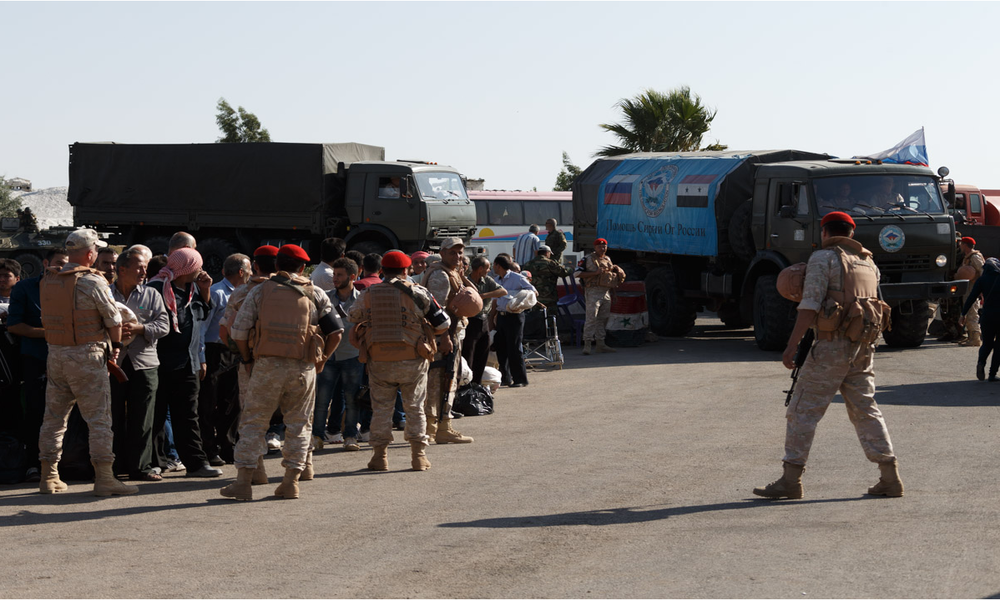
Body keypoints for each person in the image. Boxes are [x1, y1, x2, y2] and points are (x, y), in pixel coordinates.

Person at [753, 211, 902, 500]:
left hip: (831, 347)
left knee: (802, 411)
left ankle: (790, 480)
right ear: (851, 233)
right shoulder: (869, 262)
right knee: (866, 410)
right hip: (863, 348)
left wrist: (792, 345)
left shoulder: (824, 258)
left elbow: (809, 305)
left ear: (824, 232)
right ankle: (889, 476)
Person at [223, 244, 343, 501]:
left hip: (266, 366)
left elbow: (238, 332)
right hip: (303, 368)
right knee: (299, 425)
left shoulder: (259, 292)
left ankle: (244, 483)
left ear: (277, 265)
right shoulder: (316, 293)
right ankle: (290, 482)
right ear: (302, 268)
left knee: (253, 422)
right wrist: (321, 360)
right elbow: (336, 332)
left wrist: (247, 359)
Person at [36, 228, 135, 496]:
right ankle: (104, 478)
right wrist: (115, 347)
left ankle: (49, 476)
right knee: (99, 419)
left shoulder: (50, 279)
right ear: (91, 254)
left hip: (56, 354)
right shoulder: (92, 282)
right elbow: (114, 320)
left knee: (54, 418)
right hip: (87, 356)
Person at [348, 250, 450, 471]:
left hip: (379, 361)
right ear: (406, 271)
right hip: (413, 360)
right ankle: (418, 457)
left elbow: (352, 316)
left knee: (381, 408)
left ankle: (379, 457)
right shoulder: (419, 293)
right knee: (414, 408)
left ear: (382, 271)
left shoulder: (369, 293)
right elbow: (443, 324)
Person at [147, 247, 223, 478]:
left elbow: (202, 315)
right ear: (186, 268)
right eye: (197, 265)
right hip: (159, 363)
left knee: (188, 415)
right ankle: (155, 462)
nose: (200, 269)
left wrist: (205, 290)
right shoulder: (156, 288)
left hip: (187, 362)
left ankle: (196, 463)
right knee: (156, 416)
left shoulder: (192, 288)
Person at [7, 248, 68, 482]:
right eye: (59, 263)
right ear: (45, 263)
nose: (63, 268)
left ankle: (68, 463)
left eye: (67, 263)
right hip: (37, 361)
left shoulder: (75, 288)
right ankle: (35, 464)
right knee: (37, 414)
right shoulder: (25, 288)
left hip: (69, 361)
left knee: (67, 416)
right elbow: (15, 325)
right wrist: (51, 333)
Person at [218, 245, 279, 481]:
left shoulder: (243, 292)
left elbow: (226, 332)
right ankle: (301, 469)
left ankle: (257, 471)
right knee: (298, 417)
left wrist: (243, 356)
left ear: (255, 266)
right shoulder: (302, 290)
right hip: (294, 362)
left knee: (252, 417)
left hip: (253, 361)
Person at [109, 246, 170, 481]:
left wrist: (140, 328)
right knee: (111, 416)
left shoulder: (152, 295)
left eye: (145, 267)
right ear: (121, 269)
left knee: (143, 417)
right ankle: (110, 468)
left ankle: (141, 468)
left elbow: (164, 326)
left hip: (144, 364)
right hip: (113, 363)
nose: (144, 272)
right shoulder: (104, 294)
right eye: (139, 267)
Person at [198, 253, 251, 465]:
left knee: (232, 403)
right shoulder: (217, 293)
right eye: (248, 271)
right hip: (213, 351)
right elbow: (202, 327)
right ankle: (210, 450)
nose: (250, 275)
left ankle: (228, 447)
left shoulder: (244, 293)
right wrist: (201, 356)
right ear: (240, 272)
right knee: (209, 403)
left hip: (233, 352)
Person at [422, 238, 475, 442]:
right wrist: (444, 338)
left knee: (449, 380)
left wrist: (462, 275)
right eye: (453, 253)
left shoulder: (452, 273)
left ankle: (442, 425)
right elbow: (437, 311)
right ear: (442, 253)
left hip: (452, 334)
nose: (458, 256)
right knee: (438, 382)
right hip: (443, 337)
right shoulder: (440, 276)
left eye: (460, 253)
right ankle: (435, 427)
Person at [319, 257, 369, 451]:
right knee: (322, 400)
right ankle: (317, 437)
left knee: (352, 399)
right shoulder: (324, 296)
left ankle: (350, 437)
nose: (335, 279)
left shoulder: (363, 299)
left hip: (353, 357)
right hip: (328, 356)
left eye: (340, 275)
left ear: (353, 276)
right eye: (334, 274)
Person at [492, 254, 537, 388]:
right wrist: (491, 318)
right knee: (501, 347)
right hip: (501, 316)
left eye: (494, 265)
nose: (493, 267)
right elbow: (495, 300)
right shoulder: (496, 280)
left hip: (514, 316)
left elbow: (533, 292)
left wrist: (517, 299)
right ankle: (505, 378)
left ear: (498, 265)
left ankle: (520, 379)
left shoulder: (517, 278)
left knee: (514, 348)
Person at [462, 256, 506, 386]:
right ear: (480, 269)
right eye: (487, 268)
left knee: (482, 355)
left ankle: (477, 385)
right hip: (470, 321)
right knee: (468, 355)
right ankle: (466, 386)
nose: (489, 270)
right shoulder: (465, 281)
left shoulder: (487, 281)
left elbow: (502, 291)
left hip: (484, 320)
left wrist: (483, 296)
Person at [577, 238, 625, 355]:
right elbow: (577, 273)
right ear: (595, 247)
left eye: (604, 246)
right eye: (599, 246)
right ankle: (587, 344)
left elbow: (610, 278)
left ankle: (600, 344)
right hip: (593, 291)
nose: (602, 248)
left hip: (605, 292)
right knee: (591, 318)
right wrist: (595, 273)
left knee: (603, 319)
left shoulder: (607, 259)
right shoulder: (587, 259)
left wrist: (613, 293)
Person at [961, 257, 1000, 381]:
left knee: (987, 343)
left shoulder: (982, 280)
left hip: (987, 317)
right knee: (999, 347)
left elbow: (971, 298)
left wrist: (963, 314)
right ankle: (992, 374)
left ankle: (981, 363)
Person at [957, 237, 985, 347]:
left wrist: (982, 288)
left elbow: (983, 271)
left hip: (974, 289)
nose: (960, 246)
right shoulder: (968, 257)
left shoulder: (975, 257)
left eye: (961, 244)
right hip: (968, 288)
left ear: (965, 245)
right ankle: (970, 337)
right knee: (968, 313)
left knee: (972, 313)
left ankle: (975, 339)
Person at [523, 244, 570, 310]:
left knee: (534, 317)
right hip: (549, 297)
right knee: (550, 317)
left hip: (533, 298)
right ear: (547, 253)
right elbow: (563, 273)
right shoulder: (550, 263)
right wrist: (571, 269)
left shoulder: (528, 264)